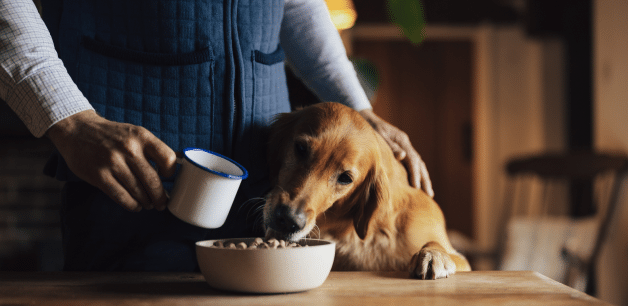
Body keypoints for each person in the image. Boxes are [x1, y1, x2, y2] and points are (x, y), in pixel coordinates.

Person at [0, 0, 433, 271]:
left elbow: (296, 5)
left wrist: (356, 108)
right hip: (130, 178)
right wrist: (68, 119)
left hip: (258, 196)